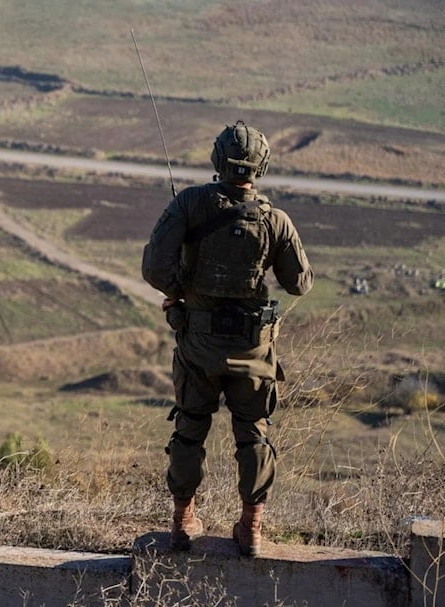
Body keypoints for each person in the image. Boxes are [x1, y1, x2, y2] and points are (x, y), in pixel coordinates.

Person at [141, 121, 313, 557]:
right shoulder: (276, 220)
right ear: (262, 166)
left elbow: (153, 269)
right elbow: (299, 284)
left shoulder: (190, 203)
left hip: (197, 341)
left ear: (217, 161)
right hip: (253, 349)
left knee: (189, 429)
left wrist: (179, 291)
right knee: (253, 433)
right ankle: (251, 527)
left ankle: (183, 520)